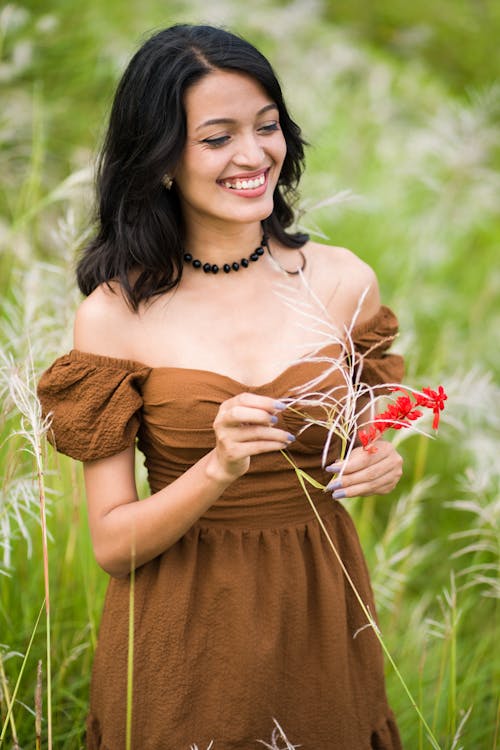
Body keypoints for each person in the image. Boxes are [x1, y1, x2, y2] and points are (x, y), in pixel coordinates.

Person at [38, 23, 405, 749]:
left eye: (266, 127)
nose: (252, 155)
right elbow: (112, 544)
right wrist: (218, 466)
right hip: (181, 637)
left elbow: (379, 408)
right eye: (216, 138)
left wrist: (381, 452)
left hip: (320, 617)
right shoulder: (114, 314)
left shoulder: (340, 280)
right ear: (161, 158)